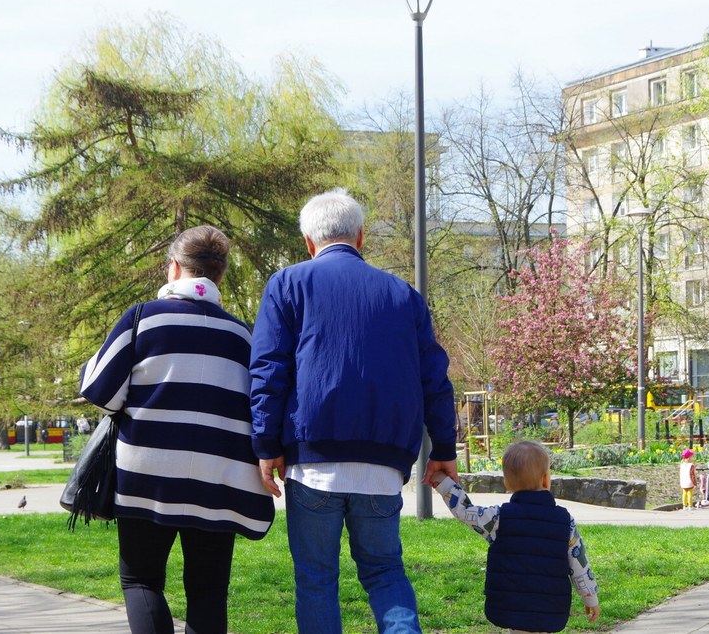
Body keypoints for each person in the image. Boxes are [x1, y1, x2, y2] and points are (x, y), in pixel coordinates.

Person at [250, 188, 458, 634]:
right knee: (386, 574)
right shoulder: (404, 295)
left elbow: (268, 372)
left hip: (312, 465)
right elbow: (435, 379)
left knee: (317, 581)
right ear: (361, 237)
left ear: (309, 242)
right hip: (382, 467)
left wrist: (266, 445)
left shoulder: (287, 284)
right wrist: (443, 446)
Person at [79, 225, 275, 634]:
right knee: (208, 591)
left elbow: (99, 390)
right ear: (219, 275)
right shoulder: (242, 335)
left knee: (141, 580)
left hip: (148, 471)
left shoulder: (142, 319)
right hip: (220, 477)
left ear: (173, 267)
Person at [430, 441, 599, 632]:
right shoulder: (564, 520)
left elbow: (465, 511)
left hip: (511, 604)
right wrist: (590, 597)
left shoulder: (498, 518)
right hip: (548, 605)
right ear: (545, 479)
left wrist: (443, 483)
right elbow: (580, 563)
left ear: (507, 483)